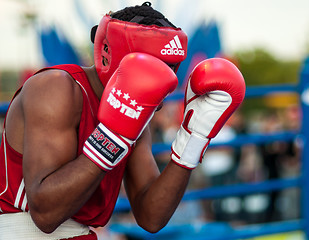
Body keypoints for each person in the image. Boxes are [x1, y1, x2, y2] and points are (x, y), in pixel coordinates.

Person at [0, 2, 246, 240]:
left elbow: (151, 217)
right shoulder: (56, 87)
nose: (160, 80)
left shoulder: (137, 112)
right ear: (109, 55)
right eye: (151, 67)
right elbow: (45, 215)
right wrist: (111, 137)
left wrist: (192, 139)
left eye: (168, 68)